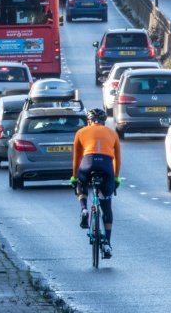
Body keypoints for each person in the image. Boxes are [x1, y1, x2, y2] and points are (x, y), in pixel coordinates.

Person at [70, 108, 121, 259]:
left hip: (88, 163)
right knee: (107, 208)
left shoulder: (81, 132)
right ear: (104, 122)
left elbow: (77, 159)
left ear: (89, 121)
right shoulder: (113, 133)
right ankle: (107, 243)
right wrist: (116, 178)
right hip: (106, 166)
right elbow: (117, 159)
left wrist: (74, 177)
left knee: (82, 183)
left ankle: (84, 209)